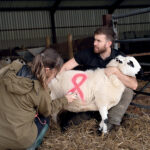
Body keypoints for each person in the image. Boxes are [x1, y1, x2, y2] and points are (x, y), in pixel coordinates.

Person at [60, 26, 138, 131]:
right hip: (89, 98)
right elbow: (65, 67)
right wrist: (57, 84)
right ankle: (90, 115)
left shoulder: (120, 58)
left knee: (127, 91)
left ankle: (112, 122)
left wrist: (116, 72)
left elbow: (134, 85)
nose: (94, 43)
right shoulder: (86, 53)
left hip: (108, 98)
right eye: (94, 40)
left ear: (108, 43)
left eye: (98, 41)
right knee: (70, 124)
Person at [0, 48, 77, 150]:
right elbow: (47, 110)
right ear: (47, 70)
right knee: (45, 118)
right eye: (55, 74)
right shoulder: (39, 90)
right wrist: (65, 99)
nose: (54, 77)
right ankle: (31, 147)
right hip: (20, 141)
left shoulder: (9, 71)